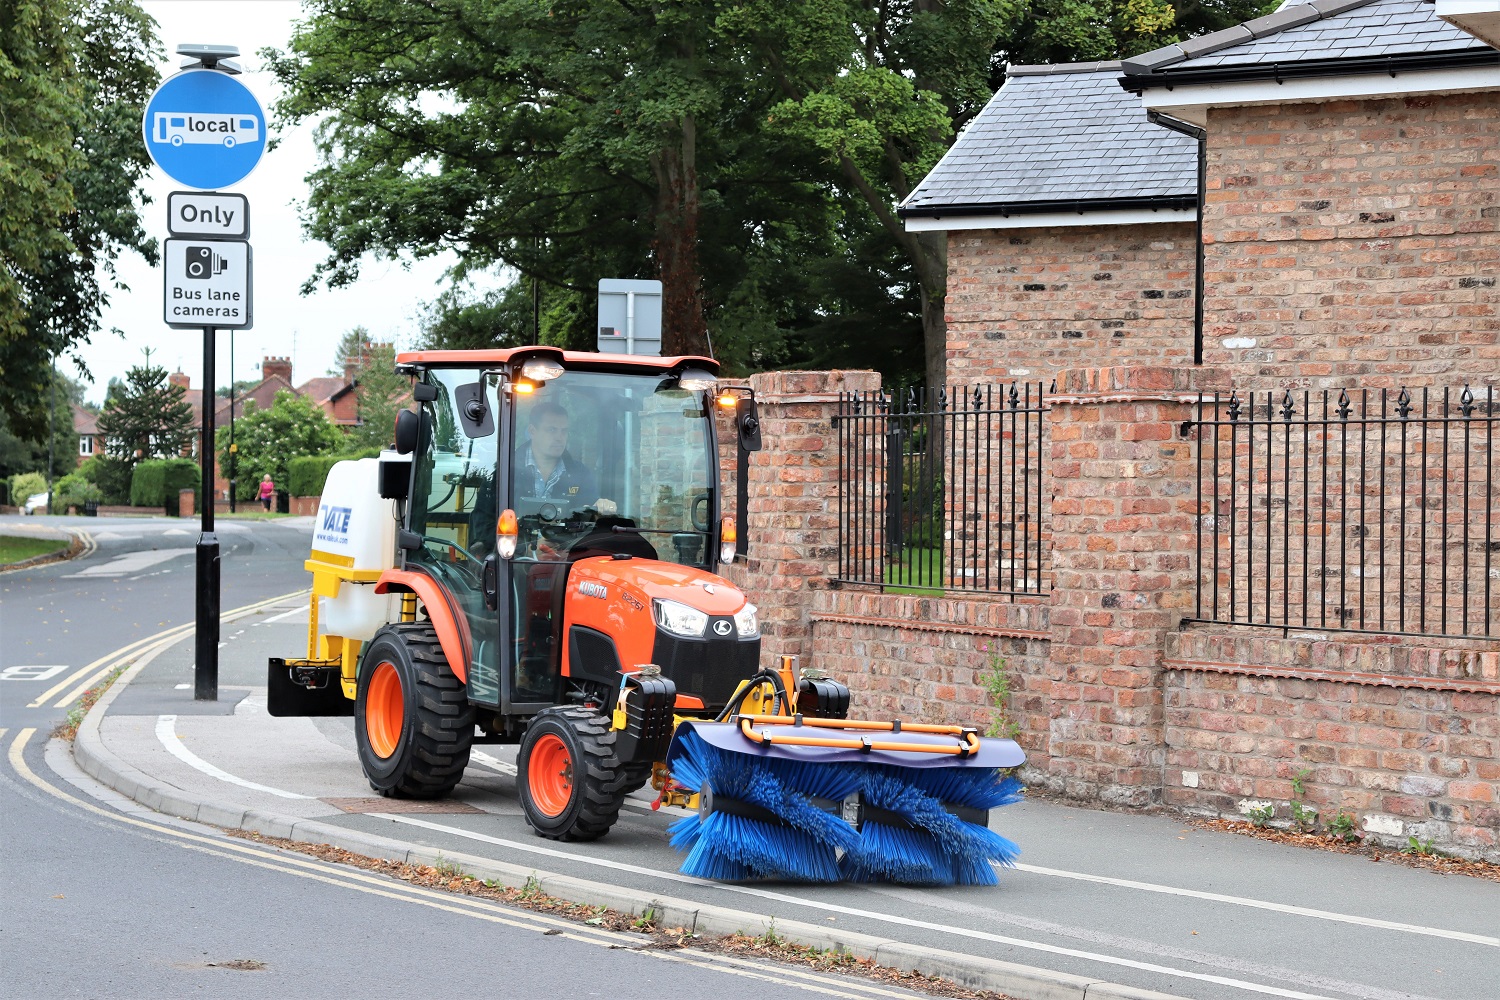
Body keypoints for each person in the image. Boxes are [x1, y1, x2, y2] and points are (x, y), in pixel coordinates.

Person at [518, 401, 614, 514]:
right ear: (532, 431)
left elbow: (592, 515)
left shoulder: (581, 474)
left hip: (566, 533)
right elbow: (492, 519)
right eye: (552, 430)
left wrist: (602, 506)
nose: (559, 437)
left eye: (564, 431)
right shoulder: (508, 470)